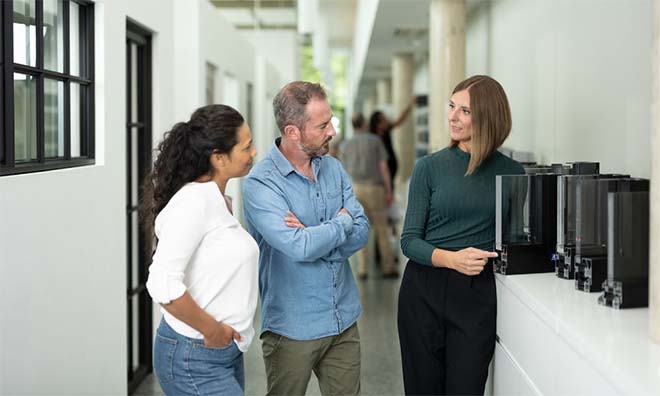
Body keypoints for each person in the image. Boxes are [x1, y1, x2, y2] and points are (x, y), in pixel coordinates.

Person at [397, 75, 525, 395]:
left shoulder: (512, 173)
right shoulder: (429, 167)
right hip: (423, 290)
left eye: (465, 111)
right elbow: (409, 241)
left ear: (488, 116)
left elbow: (513, 241)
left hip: (475, 294)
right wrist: (452, 259)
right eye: (452, 106)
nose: (452, 116)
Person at [242, 81, 369, 396]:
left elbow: (362, 230)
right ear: (292, 132)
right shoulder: (261, 184)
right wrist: (341, 222)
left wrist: (317, 238)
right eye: (323, 125)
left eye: (331, 122)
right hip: (292, 329)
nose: (332, 132)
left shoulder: (334, 169)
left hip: (343, 320)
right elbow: (298, 247)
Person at [142, 104, 258, 396]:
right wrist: (213, 331)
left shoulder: (219, 200)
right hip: (194, 355)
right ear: (219, 158)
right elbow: (161, 283)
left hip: (224, 352)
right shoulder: (193, 204)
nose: (254, 153)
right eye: (246, 147)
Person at [341, 112, 397, 279]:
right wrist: (389, 190)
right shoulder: (375, 141)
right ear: (364, 123)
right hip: (375, 188)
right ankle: (388, 267)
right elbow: (383, 167)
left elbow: (344, 171)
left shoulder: (346, 144)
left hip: (356, 189)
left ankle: (363, 269)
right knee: (382, 229)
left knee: (360, 229)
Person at [368, 96, 415, 190]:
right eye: (384, 119)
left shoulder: (386, 130)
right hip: (382, 172)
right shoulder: (373, 138)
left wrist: (410, 106)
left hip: (391, 168)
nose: (387, 120)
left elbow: (399, 120)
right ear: (378, 124)